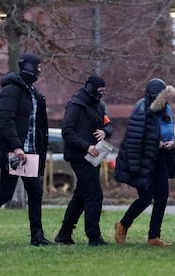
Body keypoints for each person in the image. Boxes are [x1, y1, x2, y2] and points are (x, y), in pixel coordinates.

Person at [0, 53, 51, 246]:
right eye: (37, 66)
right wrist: (16, 146)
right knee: (5, 194)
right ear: (29, 67)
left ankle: (37, 237)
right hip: (14, 153)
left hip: (29, 153)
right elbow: (6, 121)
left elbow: (35, 125)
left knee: (35, 191)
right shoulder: (12, 91)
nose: (39, 70)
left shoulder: (33, 93)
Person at [114, 78, 175, 247]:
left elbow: (169, 129)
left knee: (162, 197)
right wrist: (154, 143)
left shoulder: (167, 109)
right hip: (143, 159)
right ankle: (123, 225)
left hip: (161, 157)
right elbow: (135, 137)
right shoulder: (141, 108)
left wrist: (172, 142)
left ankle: (153, 236)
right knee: (146, 198)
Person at [55, 75, 114, 246]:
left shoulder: (99, 106)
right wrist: (86, 147)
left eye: (104, 91)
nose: (101, 94)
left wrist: (105, 133)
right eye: (99, 91)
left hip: (94, 157)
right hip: (80, 156)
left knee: (81, 196)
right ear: (91, 88)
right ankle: (94, 237)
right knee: (94, 194)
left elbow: (108, 124)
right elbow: (67, 131)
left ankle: (64, 234)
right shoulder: (76, 105)